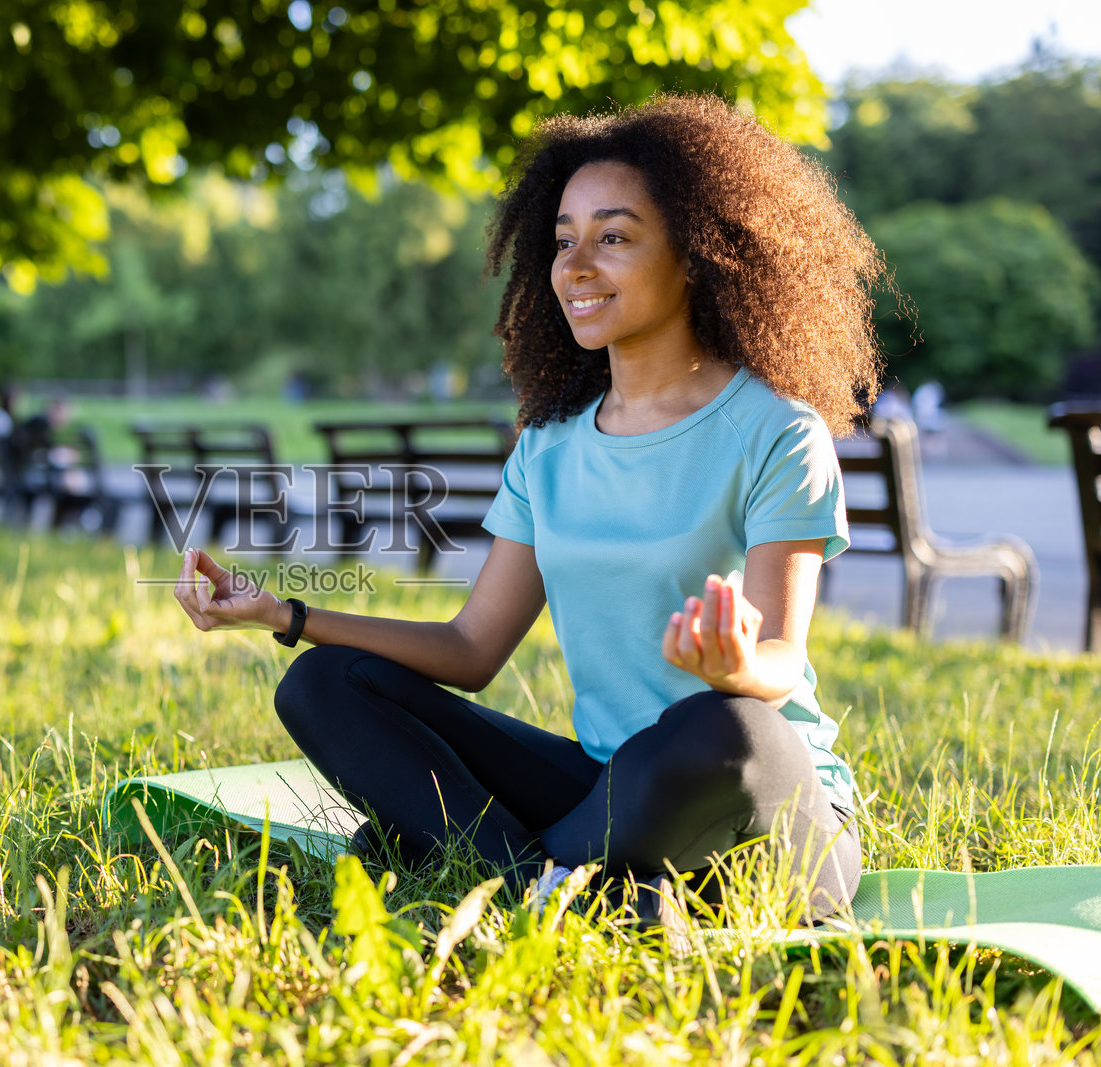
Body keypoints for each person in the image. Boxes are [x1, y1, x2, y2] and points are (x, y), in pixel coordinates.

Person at [174, 95, 885, 926]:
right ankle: (553, 886)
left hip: (766, 815)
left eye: (613, 236)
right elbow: (471, 648)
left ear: (696, 253)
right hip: (612, 792)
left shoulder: (775, 431)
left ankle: (505, 866)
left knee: (722, 727)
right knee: (324, 683)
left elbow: (776, 656)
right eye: (561, 240)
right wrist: (284, 611)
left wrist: (730, 667)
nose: (575, 264)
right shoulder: (549, 450)